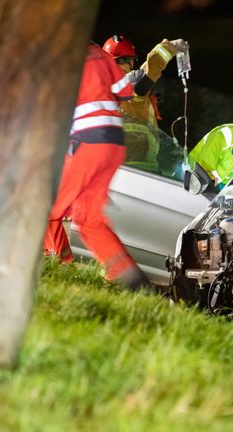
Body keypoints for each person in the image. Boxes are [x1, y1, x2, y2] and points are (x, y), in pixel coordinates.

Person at [43, 43, 150, 290]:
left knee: (46, 206)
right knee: (89, 221)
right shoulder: (100, 54)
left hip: (86, 140)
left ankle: (58, 269)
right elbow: (124, 91)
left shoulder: (55, 51)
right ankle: (133, 281)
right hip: (113, 143)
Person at [102, 35, 187, 170]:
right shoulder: (128, 85)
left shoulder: (102, 88)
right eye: (131, 60)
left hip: (116, 166)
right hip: (138, 168)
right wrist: (170, 47)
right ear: (128, 61)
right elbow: (150, 70)